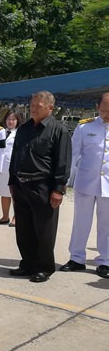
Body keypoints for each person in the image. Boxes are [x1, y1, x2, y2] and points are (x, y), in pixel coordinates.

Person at [8, 91, 71, 283]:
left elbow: (63, 162)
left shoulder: (58, 130)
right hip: (21, 185)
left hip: (43, 186)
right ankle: (27, 263)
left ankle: (44, 267)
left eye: (38, 105)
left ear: (50, 108)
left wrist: (58, 189)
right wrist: (12, 180)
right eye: (32, 105)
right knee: (24, 228)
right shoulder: (24, 128)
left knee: (44, 229)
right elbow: (16, 155)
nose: (33, 108)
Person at [60, 93, 109, 278]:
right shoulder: (84, 126)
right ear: (97, 107)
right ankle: (77, 258)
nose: (107, 115)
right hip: (86, 182)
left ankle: (105, 261)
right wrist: (64, 181)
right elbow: (72, 155)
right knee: (81, 222)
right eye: (104, 110)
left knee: (107, 225)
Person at [0, 111, 21, 227]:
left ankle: (16, 217)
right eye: (8, 119)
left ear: (17, 121)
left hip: (14, 167)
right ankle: (5, 216)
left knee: (15, 194)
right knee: (4, 193)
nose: (10, 122)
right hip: (2, 167)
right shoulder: (0, 132)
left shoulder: (20, 133)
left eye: (13, 119)